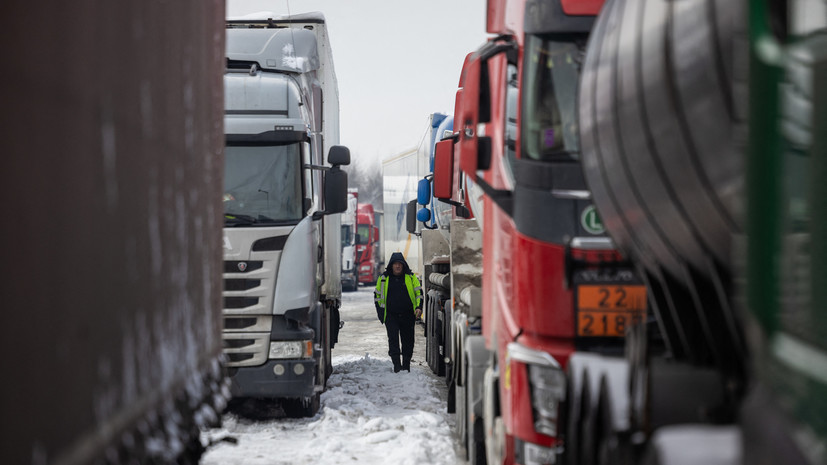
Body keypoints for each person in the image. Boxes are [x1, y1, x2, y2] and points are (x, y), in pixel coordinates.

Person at [374, 252, 423, 372]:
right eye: (395, 264)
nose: (397, 266)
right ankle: (396, 365)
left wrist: (418, 307)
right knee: (393, 341)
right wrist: (381, 314)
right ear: (391, 265)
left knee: (408, 341)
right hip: (391, 316)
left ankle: (406, 365)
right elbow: (377, 296)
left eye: (400, 264)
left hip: (408, 315)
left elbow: (419, 294)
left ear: (403, 265)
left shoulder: (411, 277)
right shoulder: (384, 278)